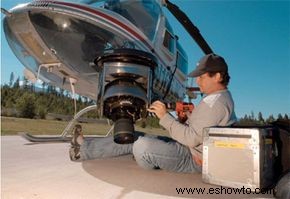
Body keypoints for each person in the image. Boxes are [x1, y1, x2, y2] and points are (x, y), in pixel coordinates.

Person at [69, 53, 237, 173]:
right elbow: (199, 132)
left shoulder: (215, 103)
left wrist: (164, 116)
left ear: (218, 76)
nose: (198, 80)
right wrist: (185, 118)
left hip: (193, 159)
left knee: (142, 146)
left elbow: (191, 138)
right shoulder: (217, 99)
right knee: (135, 136)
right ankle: (83, 149)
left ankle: (147, 156)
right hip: (187, 148)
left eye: (202, 76)